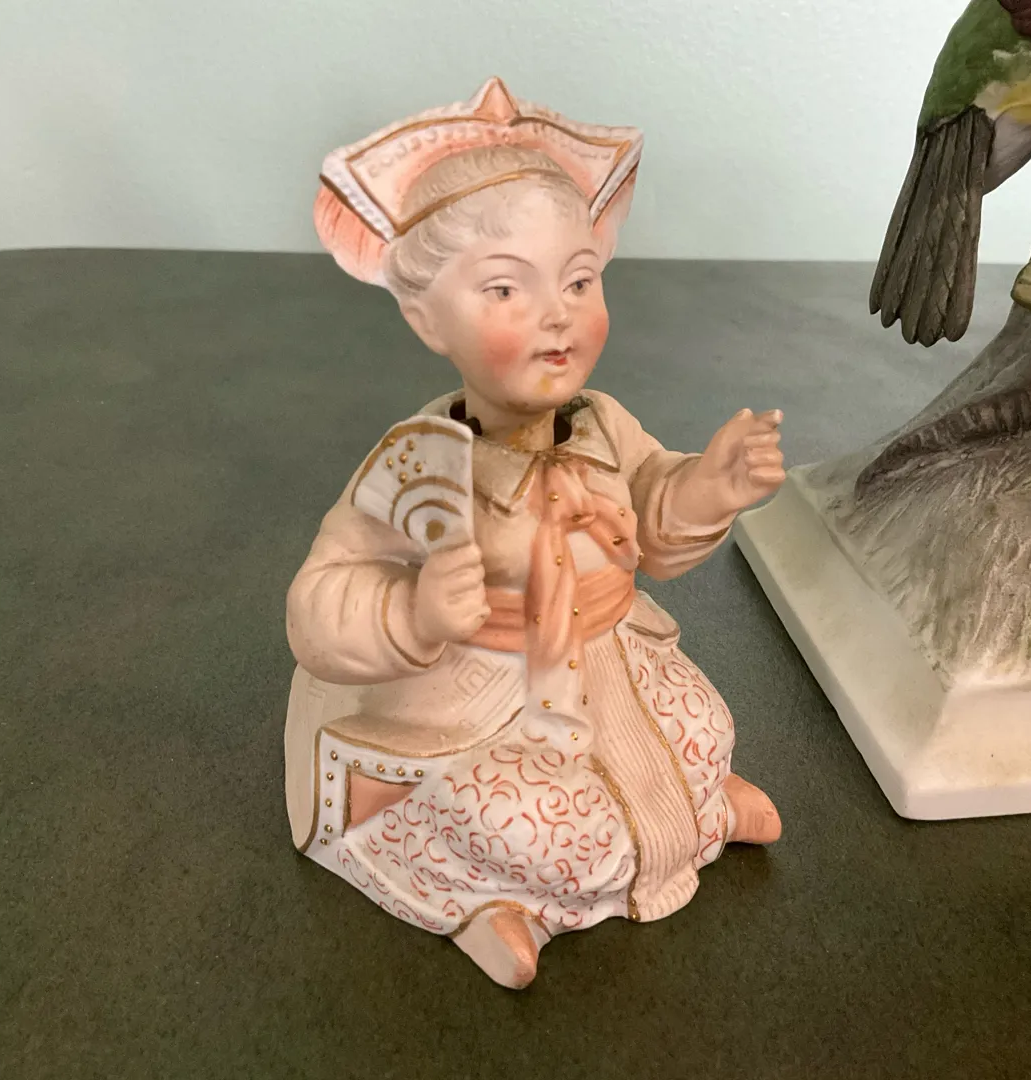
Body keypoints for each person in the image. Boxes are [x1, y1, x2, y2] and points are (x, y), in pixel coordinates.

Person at [284, 78, 786, 989]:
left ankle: (692, 813)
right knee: (541, 827)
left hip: (612, 660)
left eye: (580, 281)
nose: (558, 313)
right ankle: (486, 898)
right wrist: (413, 612)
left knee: (705, 727)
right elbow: (321, 603)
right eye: (506, 288)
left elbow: (653, 520)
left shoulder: (602, 425)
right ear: (426, 317)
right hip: (485, 700)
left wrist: (709, 488)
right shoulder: (417, 466)